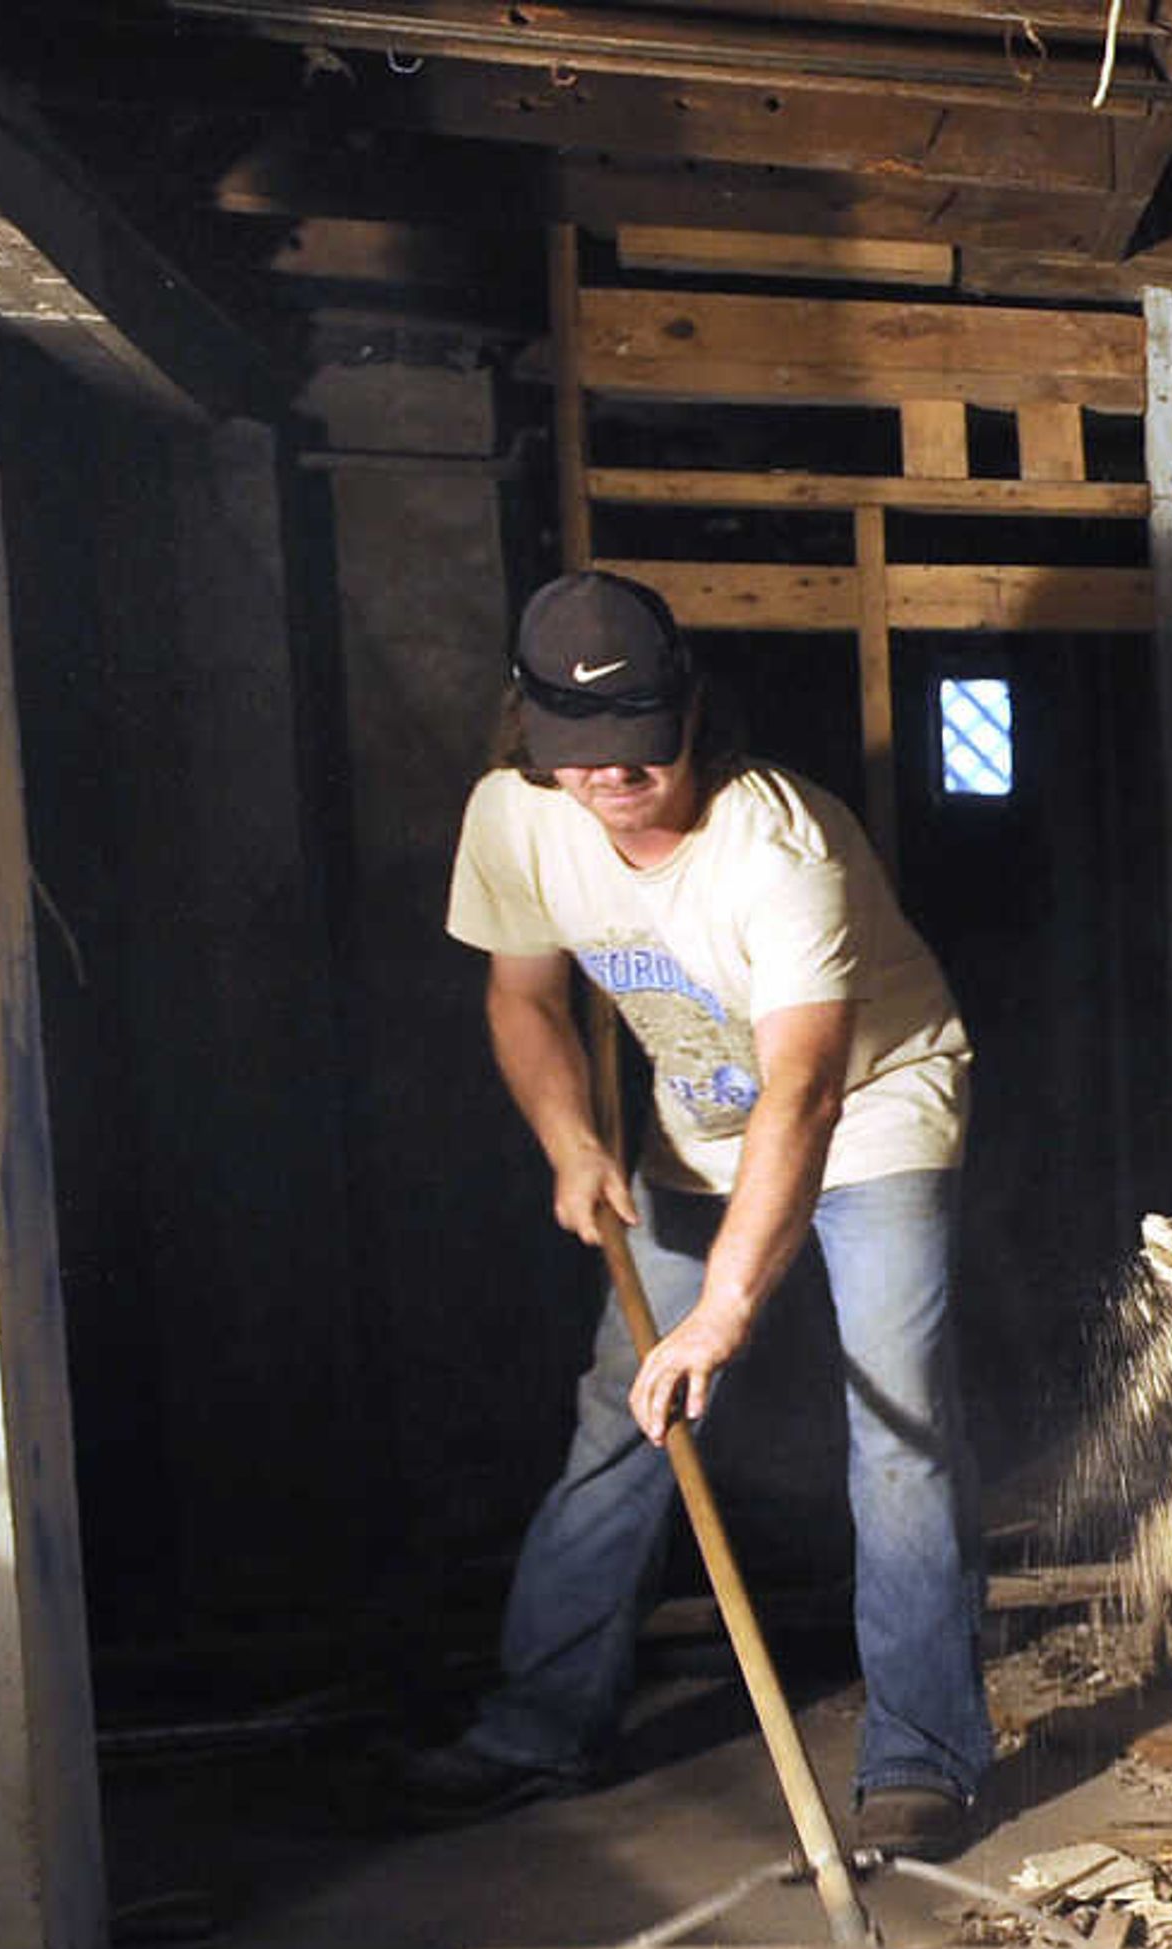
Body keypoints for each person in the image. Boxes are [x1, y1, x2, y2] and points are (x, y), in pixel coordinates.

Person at [390, 570, 990, 1859]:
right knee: (625, 1408)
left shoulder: (780, 847)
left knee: (897, 1420)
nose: (612, 780)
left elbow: (810, 1091)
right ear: (533, 736)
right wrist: (570, 1145)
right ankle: (538, 1727)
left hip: (872, 1112)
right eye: (580, 756)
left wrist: (723, 1309)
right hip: (700, 1131)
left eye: (639, 751)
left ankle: (922, 1757)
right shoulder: (515, 817)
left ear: (690, 714)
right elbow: (525, 1002)